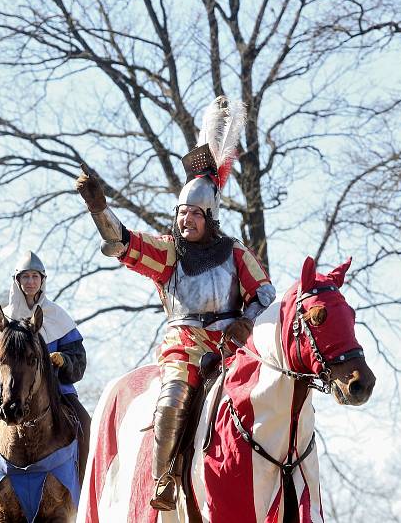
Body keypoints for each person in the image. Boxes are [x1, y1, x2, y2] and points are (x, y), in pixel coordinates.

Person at [75, 96, 276, 511]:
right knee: (174, 397)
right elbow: (125, 245)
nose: (186, 220)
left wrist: (245, 321)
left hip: (233, 347)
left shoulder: (238, 254)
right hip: (184, 346)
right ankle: (165, 478)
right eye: (182, 214)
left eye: (195, 214)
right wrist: (100, 210)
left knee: (273, 396)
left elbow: (267, 297)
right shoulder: (170, 254)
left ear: (210, 215)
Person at [0, 251, 91, 509]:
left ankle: (91, 483)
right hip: (7, 387)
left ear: (42, 280)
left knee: (85, 421)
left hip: (55, 387)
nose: (30, 281)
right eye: (25, 276)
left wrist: (64, 361)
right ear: (17, 281)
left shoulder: (58, 316)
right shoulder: (1, 320)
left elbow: (78, 359)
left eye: (34, 276)